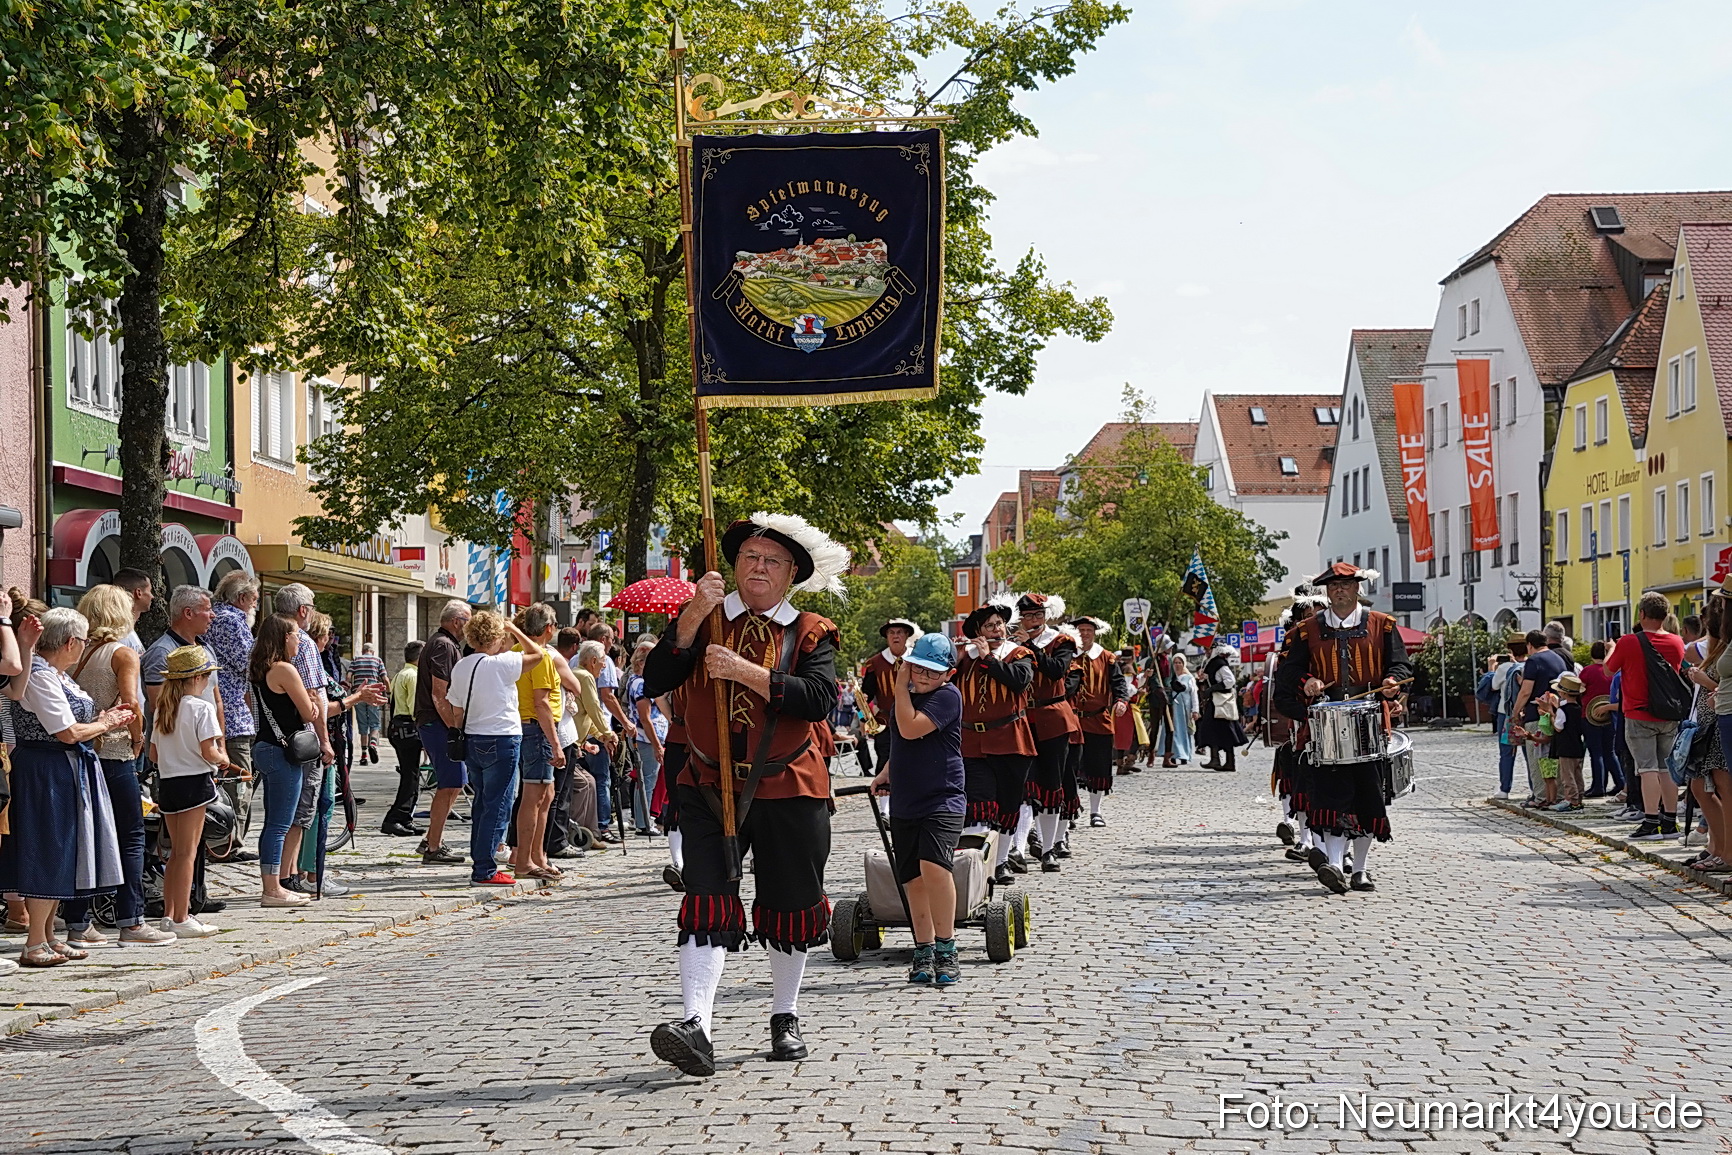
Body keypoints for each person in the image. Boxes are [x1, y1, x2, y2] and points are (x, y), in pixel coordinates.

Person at [642, 512, 848, 1077]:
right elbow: (656, 679)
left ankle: (785, 1014)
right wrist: (690, 617)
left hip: (789, 785)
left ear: (791, 574)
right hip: (708, 786)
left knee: (790, 904)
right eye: (750, 558)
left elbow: (817, 699)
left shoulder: (810, 630)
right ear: (733, 565)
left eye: (772, 561)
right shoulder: (704, 618)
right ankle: (697, 1026)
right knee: (706, 900)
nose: (759, 567)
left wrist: (744, 671)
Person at [0, 604, 131, 966]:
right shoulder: (40, 676)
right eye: (84, 640)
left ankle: (47, 936)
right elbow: (67, 732)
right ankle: (33, 942)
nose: (85, 645)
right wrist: (106, 724)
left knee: (62, 849)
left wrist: (102, 720)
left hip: (61, 767)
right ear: (71, 642)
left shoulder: (55, 674)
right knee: (49, 849)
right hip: (45, 769)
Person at [1272, 562, 1409, 894]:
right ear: (1327, 591)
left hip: (1369, 722)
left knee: (1367, 798)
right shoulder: (1306, 630)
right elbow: (1288, 674)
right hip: (1326, 725)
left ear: (1357, 588)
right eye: (1333, 586)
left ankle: (1360, 869)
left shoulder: (1383, 625)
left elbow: (1402, 666)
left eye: (1346, 585)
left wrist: (1393, 682)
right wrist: (1307, 681)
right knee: (1330, 797)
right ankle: (1334, 864)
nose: (1340, 591)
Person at [67, 585, 173, 947]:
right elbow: (131, 704)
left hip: (80, 752)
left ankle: (78, 921)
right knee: (131, 835)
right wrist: (139, 737)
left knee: (85, 836)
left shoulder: (76, 652)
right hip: (113, 752)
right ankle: (132, 920)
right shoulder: (122, 653)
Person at [869, 632, 965, 985]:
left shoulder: (947, 696)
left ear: (948, 674)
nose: (923, 677)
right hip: (906, 799)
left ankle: (946, 947)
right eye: (919, 669)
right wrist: (886, 771)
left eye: (932, 672)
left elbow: (910, 729)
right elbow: (901, 742)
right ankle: (923, 949)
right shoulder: (907, 698)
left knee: (934, 867)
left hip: (943, 796)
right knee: (912, 877)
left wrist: (899, 684)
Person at [447, 610, 545, 885]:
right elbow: (537, 654)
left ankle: (481, 861)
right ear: (496, 637)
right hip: (502, 737)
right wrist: (515, 630)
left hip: (472, 738)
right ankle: (484, 869)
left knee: (482, 804)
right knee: (499, 805)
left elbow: (456, 710)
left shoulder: (462, 666)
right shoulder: (503, 663)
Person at [149, 647, 230, 938]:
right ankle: (182, 917)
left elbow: (154, 754)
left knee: (174, 853)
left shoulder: (164, 708)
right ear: (196, 678)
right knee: (188, 853)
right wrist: (223, 758)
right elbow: (209, 751)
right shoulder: (201, 708)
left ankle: (170, 915)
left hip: (169, 783)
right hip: (194, 782)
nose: (208, 681)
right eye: (206, 676)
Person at [954, 600, 1035, 887]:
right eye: (989, 626)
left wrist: (989, 658)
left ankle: (1000, 862)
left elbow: (1020, 681)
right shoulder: (964, 659)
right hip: (971, 742)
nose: (996, 629)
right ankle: (976, 865)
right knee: (978, 803)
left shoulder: (1019, 654)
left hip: (1010, 739)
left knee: (1008, 804)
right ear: (978, 632)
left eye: (999, 624)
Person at [248, 613, 321, 908]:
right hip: (282, 751)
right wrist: (314, 701)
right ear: (284, 638)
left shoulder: (259, 669)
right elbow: (308, 714)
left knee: (273, 821)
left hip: (265, 746)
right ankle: (272, 889)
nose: (299, 642)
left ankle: (272, 884)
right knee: (280, 823)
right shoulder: (285, 669)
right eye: (296, 636)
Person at [1605, 591, 1687, 841]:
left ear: (1641, 614)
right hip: (1668, 713)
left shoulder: (1629, 642)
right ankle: (1670, 822)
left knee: (1647, 768)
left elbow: (1608, 671)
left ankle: (1651, 821)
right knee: (1667, 768)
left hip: (1639, 712)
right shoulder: (1677, 642)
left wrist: (1611, 649)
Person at [271, 584, 332, 880]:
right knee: (301, 810)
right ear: (303, 610)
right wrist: (325, 741)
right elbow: (314, 698)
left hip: (274, 737)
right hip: (302, 739)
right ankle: (288, 875)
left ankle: (286, 874)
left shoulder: (266, 640)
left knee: (281, 812)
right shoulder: (303, 642)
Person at [1012, 593, 1077, 871]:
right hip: (1022, 719)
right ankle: (1017, 847)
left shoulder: (1061, 642)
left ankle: (1049, 848)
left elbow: (1056, 671)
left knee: (1051, 785)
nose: (1034, 621)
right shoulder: (1011, 645)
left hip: (1052, 717)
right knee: (1024, 786)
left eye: (1038, 615)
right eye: (1028, 617)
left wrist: (1028, 647)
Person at [414, 599, 472, 866]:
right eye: (468, 621)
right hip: (437, 723)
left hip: (437, 722)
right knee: (450, 782)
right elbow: (439, 693)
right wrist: (455, 728)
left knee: (455, 782)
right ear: (456, 621)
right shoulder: (443, 645)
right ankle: (433, 846)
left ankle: (431, 839)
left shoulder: (445, 644)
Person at [508, 603, 564, 882]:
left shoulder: (516, 651)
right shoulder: (540, 657)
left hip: (522, 726)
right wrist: (555, 743)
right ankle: (524, 860)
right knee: (534, 796)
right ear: (549, 628)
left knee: (546, 794)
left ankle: (537, 855)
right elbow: (541, 703)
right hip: (537, 728)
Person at [1068, 616, 1128, 828]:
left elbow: (1119, 683)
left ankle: (1096, 811)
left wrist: (1121, 701)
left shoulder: (1106, 657)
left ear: (1094, 633)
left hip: (1098, 719)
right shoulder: (1067, 655)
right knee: (1070, 767)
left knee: (1099, 767)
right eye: (1081, 630)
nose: (1084, 634)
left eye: (1088, 630)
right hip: (1072, 720)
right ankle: (1070, 810)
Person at [548, 628, 601, 859]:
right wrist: (605, 733)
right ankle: (559, 838)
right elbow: (589, 704)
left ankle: (575, 833)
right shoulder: (559, 661)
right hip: (561, 736)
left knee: (558, 792)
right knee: (560, 793)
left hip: (568, 737)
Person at [204, 572, 259, 786]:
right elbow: (250, 665)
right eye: (254, 599)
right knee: (240, 785)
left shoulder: (216, 615)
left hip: (219, 709)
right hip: (233, 714)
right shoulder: (232, 620)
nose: (255, 605)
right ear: (241, 598)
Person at [1510, 629, 1566, 805]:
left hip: (1537, 715)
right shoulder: (1559, 658)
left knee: (1538, 759)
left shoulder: (1533, 660)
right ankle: (1559, 795)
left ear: (1529, 645)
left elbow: (1526, 691)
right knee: (1555, 759)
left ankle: (1541, 796)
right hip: (1556, 713)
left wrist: (1515, 711)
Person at [860, 619, 920, 776]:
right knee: (884, 760)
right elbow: (865, 696)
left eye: (900, 632)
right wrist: (862, 718)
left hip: (915, 718)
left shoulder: (917, 659)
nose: (895, 636)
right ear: (886, 637)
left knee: (914, 760)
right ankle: (883, 791)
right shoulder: (874, 663)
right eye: (891, 633)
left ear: (906, 635)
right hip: (885, 721)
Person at [574, 639, 621, 840]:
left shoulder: (579, 673)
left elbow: (585, 713)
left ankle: (590, 830)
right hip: (571, 742)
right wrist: (608, 733)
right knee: (591, 782)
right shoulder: (585, 676)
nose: (604, 666)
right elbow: (594, 708)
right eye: (602, 661)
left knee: (591, 782)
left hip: (579, 741)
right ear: (593, 661)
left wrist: (600, 735)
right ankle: (589, 829)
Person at [381, 641, 425, 837]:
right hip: (409, 729)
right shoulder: (414, 676)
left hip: (398, 728)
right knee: (410, 777)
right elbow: (415, 707)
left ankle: (405, 817)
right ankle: (395, 818)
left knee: (411, 775)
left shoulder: (400, 674)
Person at [627, 638, 668, 836]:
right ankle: (644, 823)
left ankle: (642, 820)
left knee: (645, 779)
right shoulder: (641, 684)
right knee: (647, 780)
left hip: (647, 738)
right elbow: (645, 718)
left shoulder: (639, 681)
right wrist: (657, 745)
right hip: (646, 739)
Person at [1195, 638, 1244, 773]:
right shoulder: (1212, 663)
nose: (1205, 651)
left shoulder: (1219, 663)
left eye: (1208, 649)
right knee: (1212, 729)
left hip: (1221, 701)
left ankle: (1227, 761)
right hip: (1215, 701)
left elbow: (1230, 681)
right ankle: (1217, 759)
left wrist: (1213, 688)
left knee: (1223, 731)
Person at [1579, 640, 1617, 798]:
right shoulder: (1612, 672)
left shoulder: (1587, 671)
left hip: (1590, 715)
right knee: (1610, 751)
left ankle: (1598, 785)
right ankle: (1620, 782)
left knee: (1596, 752)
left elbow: (1580, 689)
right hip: (1609, 714)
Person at [1546, 672, 1587, 812]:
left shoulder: (1563, 710)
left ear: (1563, 693)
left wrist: (1552, 715)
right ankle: (1579, 798)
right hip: (1577, 745)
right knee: (1578, 775)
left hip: (1565, 747)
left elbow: (1558, 727)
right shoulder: (1579, 708)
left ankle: (1571, 800)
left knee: (1567, 776)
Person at [348, 642, 388, 764]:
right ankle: (373, 743)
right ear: (373, 651)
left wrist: (350, 691)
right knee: (375, 723)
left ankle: (364, 756)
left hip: (359, 694)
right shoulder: (378, 660)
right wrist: (388, 694)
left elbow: (349, 677)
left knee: (362, 723)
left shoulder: (356, 659)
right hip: (373, 695)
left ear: (363, 650)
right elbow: (385, 679)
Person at [1169, 654, 1198, 764]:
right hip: (1173, 708)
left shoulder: (1189, 678)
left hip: (1185, 709)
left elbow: (1194, 695)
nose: (1177, 665)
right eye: (1175, 663)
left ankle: (1184, 755)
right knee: (1173, 731)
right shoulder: (1171, 678)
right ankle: (1173, 754)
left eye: (1179, 663)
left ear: (1183, 664)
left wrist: (1195, 710)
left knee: (1184, 731)